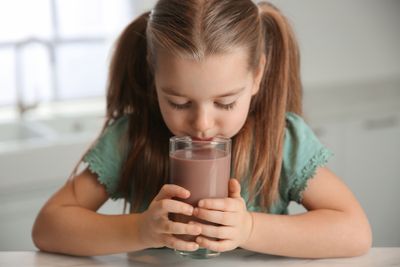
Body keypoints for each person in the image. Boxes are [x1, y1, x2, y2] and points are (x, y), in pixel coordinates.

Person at [32, 0, 372, 258]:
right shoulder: (132, 139)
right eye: (179, 103)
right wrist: (141, 230)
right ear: (154, 76)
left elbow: (355, 231)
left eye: (225, 103)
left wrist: (249, 228)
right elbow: (49, 226)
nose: (202, 125)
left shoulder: (280, 141)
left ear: (257, 75)